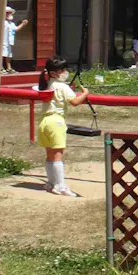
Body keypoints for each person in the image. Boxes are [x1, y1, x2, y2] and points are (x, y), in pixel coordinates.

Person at [36, 56, 90, 198]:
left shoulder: (47, 84)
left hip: (44, 121)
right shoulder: (62, 87)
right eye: (62, 70)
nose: (65, 72)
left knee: (50, 155)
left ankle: (51, 183)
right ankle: (60, 186)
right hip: (56, 122)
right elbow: (75, 101)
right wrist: (85, 93)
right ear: (54, 73)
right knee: (58, 156)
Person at [1, 6, 28, 73]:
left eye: (10, 13)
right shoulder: (2, 22)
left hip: (9, 42)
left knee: (8, 55)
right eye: (7, 13)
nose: (9, 14)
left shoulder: (11, 23)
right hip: (2, 41)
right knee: (1, 54)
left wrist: (22, 24)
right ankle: (0, 67)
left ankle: (9, 68)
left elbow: (15, 29)